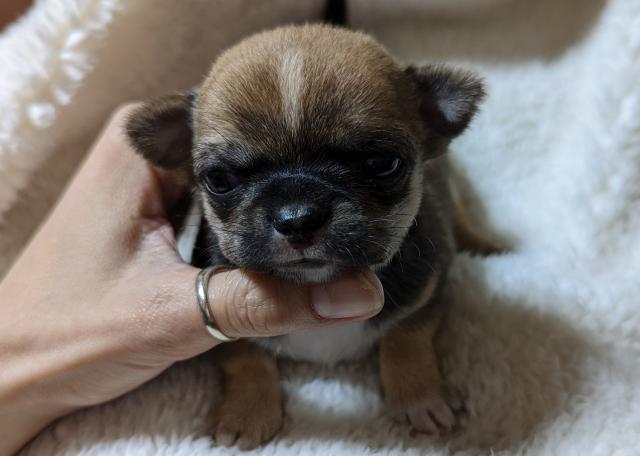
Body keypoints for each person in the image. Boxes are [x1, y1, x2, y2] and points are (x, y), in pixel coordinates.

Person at [0, 105, 384, 455]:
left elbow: (416, 313)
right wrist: (249, 374)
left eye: (379, 165)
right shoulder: (205, 259)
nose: (296, 215)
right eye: (223, 180)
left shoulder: (411, 269)